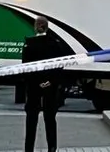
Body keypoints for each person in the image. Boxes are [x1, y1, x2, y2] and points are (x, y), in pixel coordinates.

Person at [21, 16, 72, 152]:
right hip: (50, 86)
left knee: (31, 119)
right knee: (50, 118)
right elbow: (59, 66)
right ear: (47, 27)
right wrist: (49, 81)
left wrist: (36, 82)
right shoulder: (55, 43)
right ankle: (52, 147)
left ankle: (29, 148)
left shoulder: (29, 44)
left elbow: (25, 68)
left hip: (33, 87)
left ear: (36, 26)